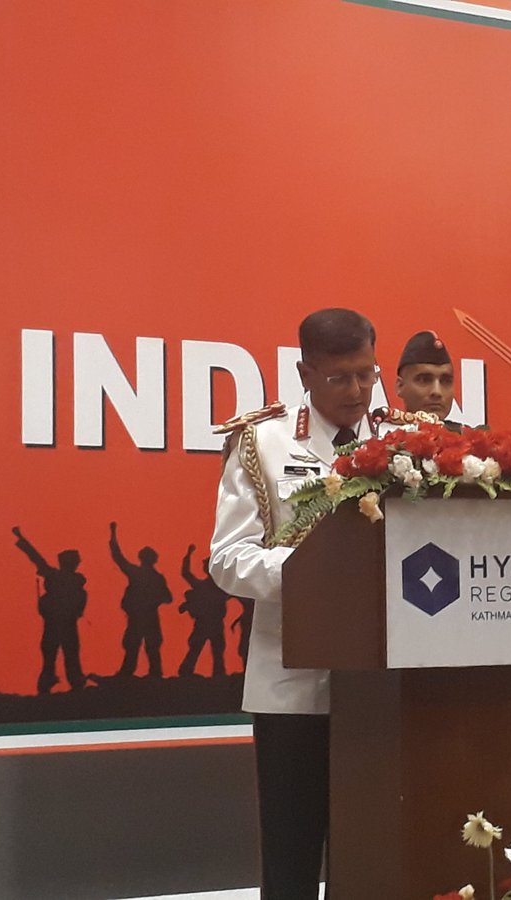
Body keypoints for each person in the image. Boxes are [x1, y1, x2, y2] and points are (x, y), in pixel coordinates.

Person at [209, 307, 380, 900]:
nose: (356, 391)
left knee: (374, 854)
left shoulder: (401, 439)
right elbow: (227, 558)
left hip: (384, 685)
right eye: (338, 378)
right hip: (293, 684)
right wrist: (311, 572)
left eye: (366, 374)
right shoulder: (263, 440)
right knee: (291, 855)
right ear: (305, 373)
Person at [12, 527, 88, 694]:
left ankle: (56, 684)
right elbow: (36, 557)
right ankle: (69, 683)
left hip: (57, 623)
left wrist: (21, 539)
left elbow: (36, 558)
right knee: (66, 655)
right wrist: (21, 538)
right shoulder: (72, 581)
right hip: (63, 623)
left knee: (55, 656)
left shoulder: (57, 577)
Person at [109, 522, 172, 678]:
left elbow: (118, 557)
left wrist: (113, 534)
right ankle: (149, 672)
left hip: (141, 615)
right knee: (143, 645)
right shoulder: (156, 577)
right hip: (146, 615)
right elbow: (168, 598)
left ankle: (137, 672)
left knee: (139, 644)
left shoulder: (138, 574)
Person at [178, 543, 231, 678]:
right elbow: (186, 573)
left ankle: (218, 674)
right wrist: (188, 555)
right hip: (204, 623)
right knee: (197, 649)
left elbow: (186, 574)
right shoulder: (210, 587)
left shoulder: (220, 587)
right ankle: (186, 672)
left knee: (216, 651)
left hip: (214, 623)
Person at [394, 329, 456, 423]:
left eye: (446, 381)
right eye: (424, 380)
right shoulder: (380, 431)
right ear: (400, 386)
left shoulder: (467, 432)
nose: (437, 391)